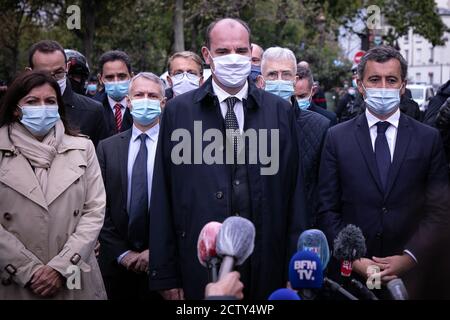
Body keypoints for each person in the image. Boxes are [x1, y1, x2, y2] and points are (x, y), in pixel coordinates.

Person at [148, 18, 305, 300]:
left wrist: (297, 270)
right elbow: (163, 194)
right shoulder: (178, 112)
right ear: (207, 55)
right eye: (223, 52)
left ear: (251, 54)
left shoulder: (280, 112)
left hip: (267, 267)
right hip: (199, 267)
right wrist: (165, 274)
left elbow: (295, 197)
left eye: (241, 51)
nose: (233, 59)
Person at [317, 46, 449, 298]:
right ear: (360, 85)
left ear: (403, 86)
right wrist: (355, 260)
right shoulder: (336, 137)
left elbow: (440, 210)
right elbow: (326, 208)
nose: (383, 87)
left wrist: (409, 257)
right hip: (351, 281)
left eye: (391, 80)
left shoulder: (427, 139)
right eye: (375, 79)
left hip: (412, 279)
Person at [0, 71, 106, 299]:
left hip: (73, 276)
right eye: (32, 101)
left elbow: (94, 211)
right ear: (16, 107)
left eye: (50, 101)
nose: (42, 108)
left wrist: (60, 268)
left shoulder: (82, 148)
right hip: (13, 280)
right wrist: (27, 270)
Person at [96, 72, 165, 300]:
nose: (145, 100)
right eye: (139, 94)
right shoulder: (107, 148)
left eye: (152, 95)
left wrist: (157, 251)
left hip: (164, 268)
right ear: (128, 100)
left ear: (163, 103)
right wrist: (122, 253)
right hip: (116, 269)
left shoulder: (177, 147)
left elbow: (185, 207)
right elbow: (98, 206)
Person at [257, 46, 330, 227]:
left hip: (304, 227)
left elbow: (325, 190)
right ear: (260, 81)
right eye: (272, 75)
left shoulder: (320, 126)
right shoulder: (245, 122)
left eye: (286, 75)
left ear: (295, 80)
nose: (280, 81)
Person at [27, 40, 108, 147]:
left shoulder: (93, 111)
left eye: (58, 73)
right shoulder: (18, 111)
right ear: (30, 72)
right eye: (43, 74)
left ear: (67, 67)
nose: (52, 80)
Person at [96, 50, 134, 137]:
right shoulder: (92, 108)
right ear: (100, 79)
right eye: (110, 77)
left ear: (131, 76)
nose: (116, 82)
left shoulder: (141, 106)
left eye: (122, 76)